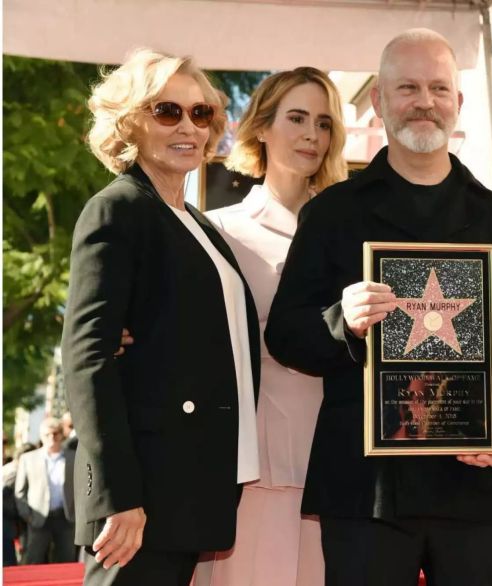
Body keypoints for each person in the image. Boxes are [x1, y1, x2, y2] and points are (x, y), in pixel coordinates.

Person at [265, 28, 492, 586]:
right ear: (377, 100)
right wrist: (342, 323)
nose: (424, 102)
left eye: (438, 88)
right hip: (365, 488)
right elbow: (284, 334)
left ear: (457, 103)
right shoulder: (332, 214)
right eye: (407, 88)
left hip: (474, 482)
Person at [62, 48, 261, 586]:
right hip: (141, 497)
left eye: (201, 114)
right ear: (129, 123)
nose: (189, 127)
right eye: (166, 111)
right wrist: (119, 496)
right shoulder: (119, 208)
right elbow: (87, 356)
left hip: (190, 485)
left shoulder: (195, 222)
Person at [192, 66, 347, 586]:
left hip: (344, 454)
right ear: (261, 126)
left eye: (323, 123)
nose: (311, 135)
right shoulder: (220, 230)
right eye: (297, 118)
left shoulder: (350, 232)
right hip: (258, 463)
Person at [13, 418, 77, 564]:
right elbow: (20, 492)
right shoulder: (28, 459)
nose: (52, 438)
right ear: (41, 436)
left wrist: (77, 513)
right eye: (47, 434)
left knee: (66, 562)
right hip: (38, 518)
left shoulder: (73, 457)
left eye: (55, 433)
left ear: (61, 435)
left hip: (66, 518)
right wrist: (28, 516)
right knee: (32, 561)